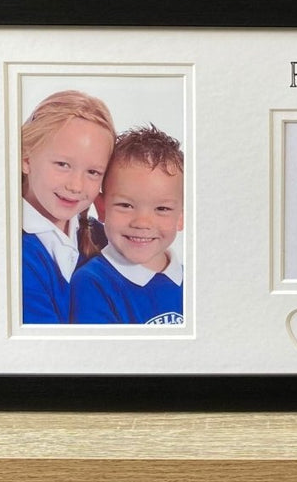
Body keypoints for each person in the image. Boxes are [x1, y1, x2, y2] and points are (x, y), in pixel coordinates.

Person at [69, 125, 185, 325]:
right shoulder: (92, 284)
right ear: (102, 208)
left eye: (162, 209)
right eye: (126, 205)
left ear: (181, 217)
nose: (142, 223)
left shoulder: (194, 280)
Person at [21, 90, 116, 324]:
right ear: (25, 158)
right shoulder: (15, 254)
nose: (76, 186)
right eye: (63, 164)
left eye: (93, 172)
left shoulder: (100, 235)